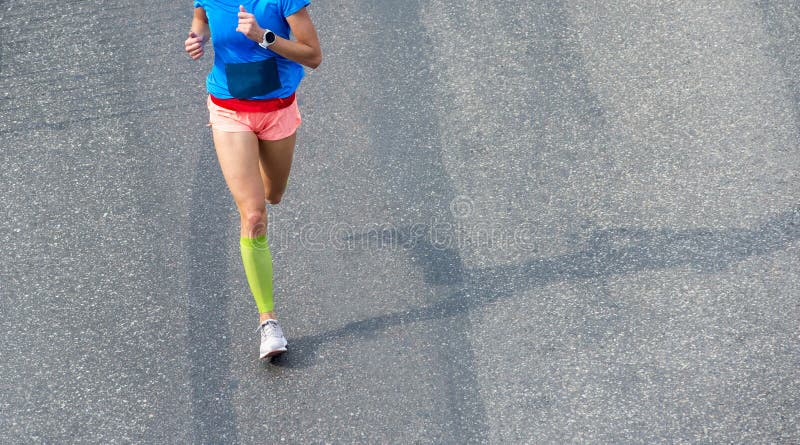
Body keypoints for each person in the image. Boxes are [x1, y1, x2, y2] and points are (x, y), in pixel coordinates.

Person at [184, 0, 321, 359]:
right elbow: (201, 17)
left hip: (277, 111)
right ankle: (269, 323)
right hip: (229, 110)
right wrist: (196, 37)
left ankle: (256, 187)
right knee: (255, 215)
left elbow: (313, 55)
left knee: (273, 195)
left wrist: (264, 36)